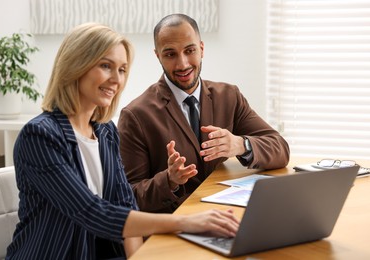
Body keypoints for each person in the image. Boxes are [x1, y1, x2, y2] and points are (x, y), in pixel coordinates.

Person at [5, 22, 239, 260]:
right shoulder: (40, 135)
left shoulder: (106, 132)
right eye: (106, 66)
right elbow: (91, 212)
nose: (116, 79)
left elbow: (126, 210)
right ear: (75, 65)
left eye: (122, 69)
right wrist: (186, 222)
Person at [118, 14, 290, 213]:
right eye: (170, 54)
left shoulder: (229, 96)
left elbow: (280, 148)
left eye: (189, 51)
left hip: (226, 217)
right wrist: (169, 180)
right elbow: (128, 196)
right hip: (174, 228)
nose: (182, 64)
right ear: (158, 57)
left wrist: (240, 145)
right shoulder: (136, 115)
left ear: (201, 49)